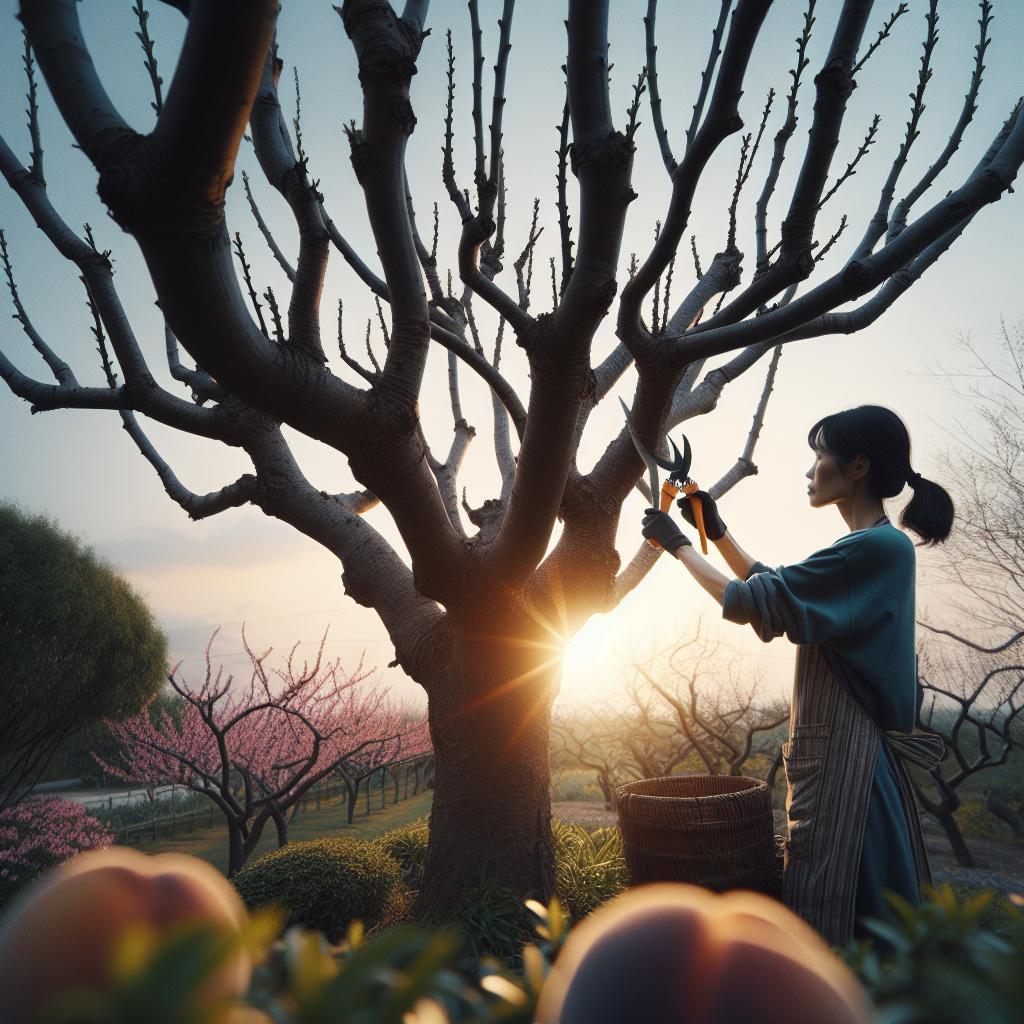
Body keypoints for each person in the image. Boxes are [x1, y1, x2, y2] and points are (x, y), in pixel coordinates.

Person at [639, 405, 952, 945]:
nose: (810, 471)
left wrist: (679, 545)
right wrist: (719, 531)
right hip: (846, 761)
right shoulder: (870, 548)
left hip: (851, 766)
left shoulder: (875, 548)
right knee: (851, 905)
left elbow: (750, 601)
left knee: (841, 910)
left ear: (857, 467)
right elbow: (780, 589)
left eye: (819, 456)